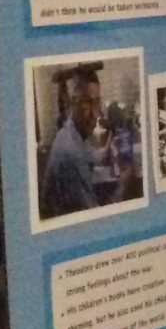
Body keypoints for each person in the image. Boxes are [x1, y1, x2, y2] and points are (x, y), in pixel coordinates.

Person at [39, 65, 119, 220]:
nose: (95, 114)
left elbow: (95, 155)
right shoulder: (71, 154)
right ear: (74, 103)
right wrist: (122, 187)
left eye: (97, 102)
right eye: (87, 102)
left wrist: (110, 140)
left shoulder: (72, 130)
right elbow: (94, 218)